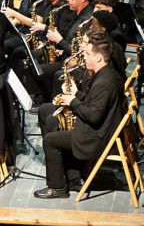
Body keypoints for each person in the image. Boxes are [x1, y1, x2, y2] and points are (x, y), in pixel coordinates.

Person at [33, 33, 125, 198]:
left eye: (87, 54)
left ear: (98, 58)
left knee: (50, 139)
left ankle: (57, 187)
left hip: (96, 137)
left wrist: (73, 101)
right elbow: (95, 103)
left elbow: (93, 116)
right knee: (49, 114)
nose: (84, 56)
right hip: (99, 128)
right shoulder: (105, 73)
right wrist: (78, 95)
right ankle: (71, 176)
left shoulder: (105, 82)